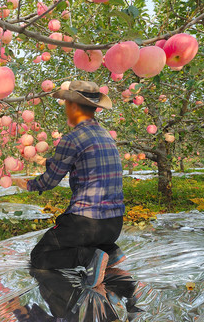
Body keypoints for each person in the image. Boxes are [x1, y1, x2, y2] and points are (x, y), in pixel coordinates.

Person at [13, 80, 126, 288]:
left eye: (66, 104)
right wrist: (42, 161)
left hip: (86, 223)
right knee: (85, 237)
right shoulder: (106, 136)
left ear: (73, 106)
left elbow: (49, 181)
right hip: (114, 224)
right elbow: (79, 161)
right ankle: (110, 251)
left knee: (40, 256)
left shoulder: (72, 138)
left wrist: (27, 185)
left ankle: (89, 258)